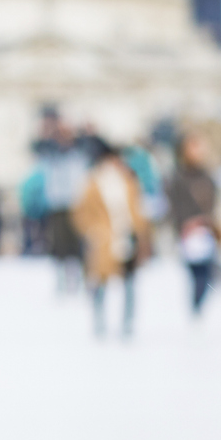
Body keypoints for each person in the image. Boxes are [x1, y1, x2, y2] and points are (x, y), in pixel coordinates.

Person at [73, 145, 149, 338]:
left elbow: (138, 210)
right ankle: (100, 322)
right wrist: (93, 231)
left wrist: (142, 235)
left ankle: (127, 323)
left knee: (130, 284)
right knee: (100, 283)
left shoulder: (129, 182)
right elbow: (80, 213)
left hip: (127, 237)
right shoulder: (93, 184)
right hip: (104, 241)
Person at [33, 110, 88, 292]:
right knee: (58, 245)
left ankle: (79, 278)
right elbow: (36, 147)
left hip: (76, 204)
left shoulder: (79, 153)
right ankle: (61, 281)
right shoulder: (51, 154)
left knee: (77, 245)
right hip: (57, 205)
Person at [167, 134, 220, 317]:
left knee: (209, 275)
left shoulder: (207, 175)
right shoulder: (177, 176)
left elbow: (214, 201)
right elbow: (173, 204)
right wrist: (186, 223)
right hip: (187, 232)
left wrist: (204, 220)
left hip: (205, 230)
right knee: (197, 274)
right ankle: (195, 308)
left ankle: (197, 307)